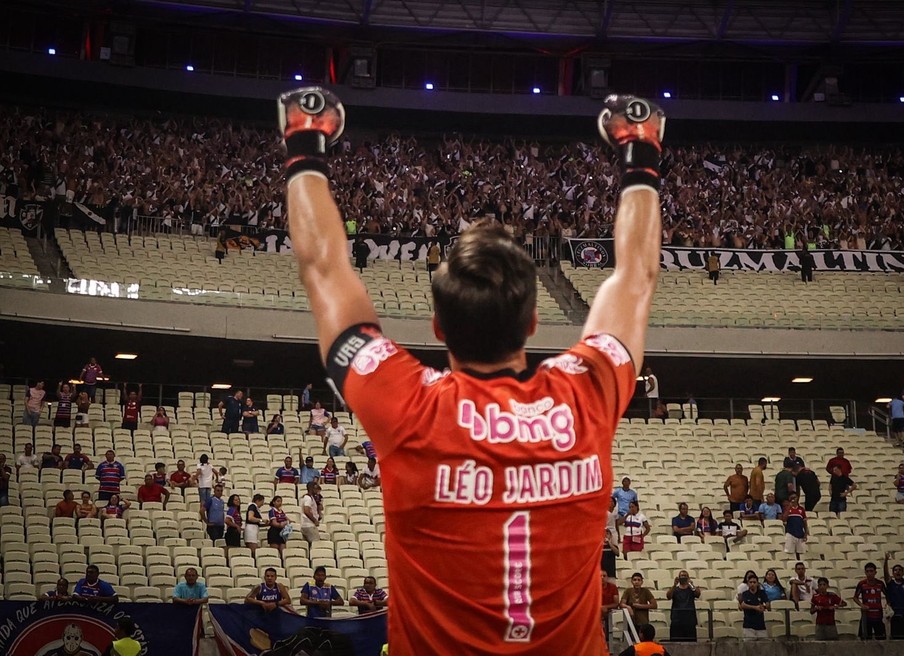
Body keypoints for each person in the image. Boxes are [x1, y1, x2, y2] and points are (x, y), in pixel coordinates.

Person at [280, 86, 664, 651]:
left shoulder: (409, 408)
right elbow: (635, 277)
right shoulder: (585, 397)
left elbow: (323, 268)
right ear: (533, 322)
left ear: (437, 327)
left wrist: (304, 147)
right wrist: (642, 155)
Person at [883, 552, 904, 640]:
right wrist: (886, 560)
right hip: (896, 617)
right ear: (893, 573)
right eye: (895, 570)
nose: (897, 571)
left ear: (902, 573)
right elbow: (885, 573)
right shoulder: (890, 584)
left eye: (899, 570)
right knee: (897, 642)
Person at [853, 561, 887, 640]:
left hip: (879, 616)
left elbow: (888, 595)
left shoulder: (880, 583)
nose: (869, 573)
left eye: (871, 571)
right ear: (865, 572)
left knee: (881, 639)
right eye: (867, 571)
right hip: (866, 616)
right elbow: (855, 597)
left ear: (875, 572)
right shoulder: (862, 584)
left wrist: (888, 604)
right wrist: (862, 605)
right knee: (865, 640)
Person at [666, 570, 700, 642]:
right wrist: (674, 585)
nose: (683, 577)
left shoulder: (691, 589)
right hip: (677, 620)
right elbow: (668, 596)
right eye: (682, 576)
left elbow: (698, 594)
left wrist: (690, 584)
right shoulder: (675, 590)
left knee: (691, 643)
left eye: (685, 576)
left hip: (689, 620)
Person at [810, 576, 846, 641]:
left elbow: (844, 603)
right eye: (820, 585)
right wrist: (816, 608)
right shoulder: (815, 597)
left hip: (831, 623)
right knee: (819, 644)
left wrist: (836, 606)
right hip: (820, 624)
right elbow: (811, 611)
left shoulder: (832, 595)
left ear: (827, 586)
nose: (822, 586)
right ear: (818, 586)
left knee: (833, 644)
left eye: (824, 584)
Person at [738, 573, 771, 640]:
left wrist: (763, 607)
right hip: (748, 625)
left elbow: (767, 604)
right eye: (750, 582)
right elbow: (743, 605)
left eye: (754, 582)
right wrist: (755, 607)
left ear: (757, 583)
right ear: (748, 584)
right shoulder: (745, 594)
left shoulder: (762, 593)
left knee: (764, 646)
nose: (752, 584)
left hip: (760, 625)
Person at [782, 493, 809, 558]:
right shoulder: (787, 508)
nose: (793, 499)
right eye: (791, 498)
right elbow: (784, 519)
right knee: (789, 553)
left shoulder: (801, 509)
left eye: (794, 497)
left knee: (802, 554)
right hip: (790, 533)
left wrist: (805, 534)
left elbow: (805, 523)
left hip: (800, 534)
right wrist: (789, 507)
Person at [599, 570, 620, 636]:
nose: (602, 577)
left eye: (604, 576)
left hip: (609, 611)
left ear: (607, 577)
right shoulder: (594, 587)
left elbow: (616, 603)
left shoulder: (613, 587)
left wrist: (606, 607)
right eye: (600, 576)